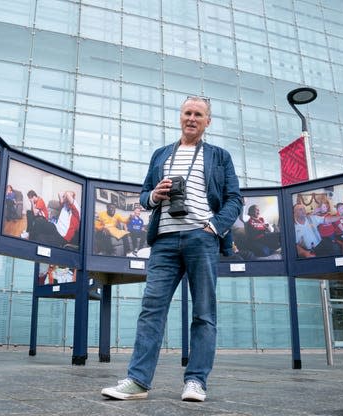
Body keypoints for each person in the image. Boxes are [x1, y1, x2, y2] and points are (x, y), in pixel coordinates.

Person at [101, 96, 243, 402]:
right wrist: (153, 195)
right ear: (180, 117)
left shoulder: (220, 156)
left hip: (201, 238)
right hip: (164, 241)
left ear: (208, 121)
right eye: (187, 113)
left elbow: (235, 199)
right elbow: (142, 196)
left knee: (204, 312)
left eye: (198, 114)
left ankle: (196, 381)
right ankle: (137, 381)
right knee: (151, 310)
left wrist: (214, 227)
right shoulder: (161, 154)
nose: (192, 118)